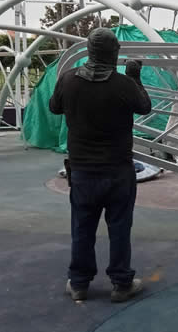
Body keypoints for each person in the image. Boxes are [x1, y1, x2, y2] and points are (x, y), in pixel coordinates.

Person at [49, 28, 152, 303]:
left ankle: (79, 283)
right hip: (118, 170)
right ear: (114, 53)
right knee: (119, 228)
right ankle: (121, 283)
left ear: (90, 51)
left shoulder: (69, 80)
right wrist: (134, 77)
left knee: (82, 228)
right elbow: (144, 107)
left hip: (82, 170)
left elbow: (54, 107)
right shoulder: (123, 84)